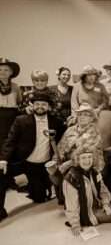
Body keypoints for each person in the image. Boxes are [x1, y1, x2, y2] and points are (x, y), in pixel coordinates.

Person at [0, 92, 65, 222]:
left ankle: (36, 188)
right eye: (37, 104)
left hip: (42, 166)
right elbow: (10, 141)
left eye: (43, 104)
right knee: (0, 173)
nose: (40, 107)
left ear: (48, 107)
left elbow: (65, 138)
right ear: (32, 105)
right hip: (24, 161)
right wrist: (3, 160)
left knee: (39, 198)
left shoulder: (56, 122)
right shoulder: (21, 120)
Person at [63, 146, 111, 236]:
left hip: (98, 205)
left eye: (89, 157)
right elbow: (71, 204)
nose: (87, 161)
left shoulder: (94, 172)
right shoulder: (71, 178)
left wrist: (105, 204)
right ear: (77, 159)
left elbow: (103, 191)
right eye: (83, 158)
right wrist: (75, 224)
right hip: (86, 213)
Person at [0, 58, 21, 148]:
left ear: (11, 72)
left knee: (10, 139)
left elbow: (19, 101)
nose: (2, 72)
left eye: (6, 70)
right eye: (0, 70)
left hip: (12, 116)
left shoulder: (16, 87)